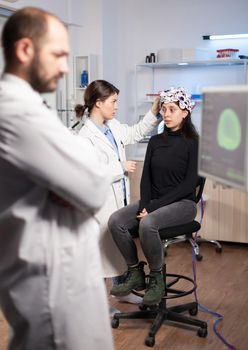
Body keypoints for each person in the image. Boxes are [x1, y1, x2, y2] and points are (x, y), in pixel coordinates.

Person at [0, 7, 114, 350]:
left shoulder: (31, 108)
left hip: (61, 273)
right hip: (51, 284)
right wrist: (78, 183)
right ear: (24, 50)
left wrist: (73, 181)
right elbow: (94, 186)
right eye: (58, 55)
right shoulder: (17, 111)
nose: (66, 67)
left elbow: (88, 178)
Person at [108, 87, 198, 306]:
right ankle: (135, 270)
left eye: (172, 110)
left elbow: (188, 186)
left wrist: (153, 208)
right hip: (154, 202)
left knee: (148, 223)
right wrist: (145, 205)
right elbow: (146, 178)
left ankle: (156, 278)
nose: (166, 114)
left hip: (183, 204)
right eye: (164, 109)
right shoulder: (156, 141)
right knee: (116, 221)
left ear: (185, 112)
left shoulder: (194, 142)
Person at [77, 80, 160, 304]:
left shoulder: (111, 127)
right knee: (101, 256)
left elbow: (134, 133)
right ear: (98, 103)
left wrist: (154, 112)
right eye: (113, 102)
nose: (116, 107)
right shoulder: (85, 137)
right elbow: (87, 174)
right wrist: (119, 168)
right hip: (100, 205)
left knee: (116, 251)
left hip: (118, 200)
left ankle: (122, 291)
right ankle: (94, 306)